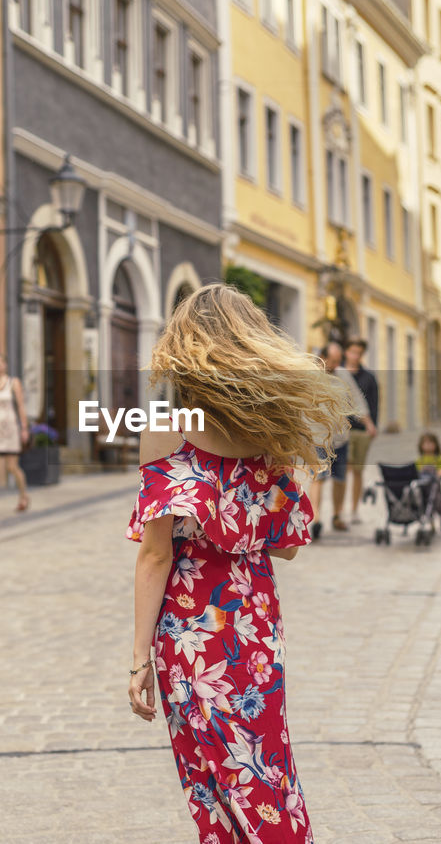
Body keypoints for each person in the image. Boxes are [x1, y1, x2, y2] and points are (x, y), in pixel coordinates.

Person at [127, 284, 354, 843]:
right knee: (265, 770)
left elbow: (156, 554)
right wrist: (242, 522)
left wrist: (138, 660)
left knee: (208, 780)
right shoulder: (267, 435)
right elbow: (288, 545)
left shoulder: (164, 428)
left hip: (189, 634)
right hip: (253, 625)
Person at [305, 342, 368, 538]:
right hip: (318, 438)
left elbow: (356, 398)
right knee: (318, 478)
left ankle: (337, 515)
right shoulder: (310, 375)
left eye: (338, 361)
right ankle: (316, 519)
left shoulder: (343, 374)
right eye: (333, 361)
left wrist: (368, 422)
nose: (335, 365)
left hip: (341, 436)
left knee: (340, 478)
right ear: (322, 357)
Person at [0, 352, 29, 516]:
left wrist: (24, 428)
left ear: (5, 365)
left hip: (9, 430)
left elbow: (21, 406)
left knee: (12, 467)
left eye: (0, 363)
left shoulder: (13, 383)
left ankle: (23, 495)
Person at [343, 339, 379, 523]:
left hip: (361, 430)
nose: (355, 356)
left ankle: (354, 509)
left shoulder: (368, 377)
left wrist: (372, 427)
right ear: (346, 352)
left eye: (358, 353)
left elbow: (373, 405)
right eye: (352, 351)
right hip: (341, 431)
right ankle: (339, 509)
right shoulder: (338, 374)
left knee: (357, 470)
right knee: (343, 470)